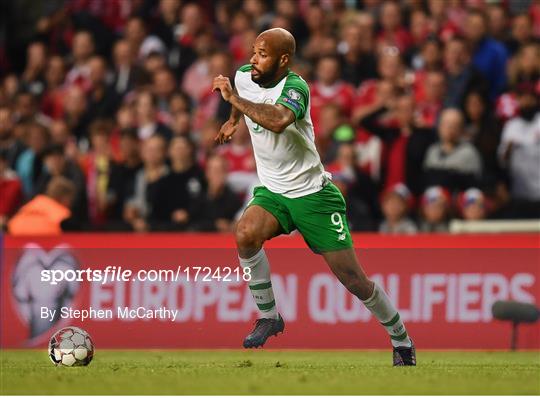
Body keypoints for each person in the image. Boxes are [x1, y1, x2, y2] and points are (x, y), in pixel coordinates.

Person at [212, 28, 415, 365]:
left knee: (354, 280)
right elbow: (244, 99)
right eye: (253, 51)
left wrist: (232, 100)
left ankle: (402, 341)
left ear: (283, 59)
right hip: (274, 191)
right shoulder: (244, 77)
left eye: (262, 54)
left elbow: (277, 121)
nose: (253, 59)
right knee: (245, 233)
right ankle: (270, 317)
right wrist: (232, 120)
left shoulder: (297, 88)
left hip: (313, 196)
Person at [8, 176, 76, 236]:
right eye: (70, 198)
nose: (71, 202)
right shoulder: (62, 213)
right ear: (65, 197)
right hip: (48, 241)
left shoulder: (35, 202)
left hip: (16, 235)